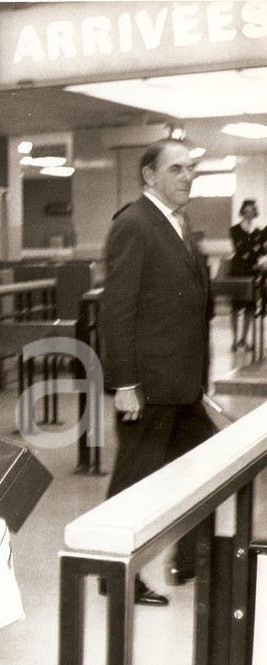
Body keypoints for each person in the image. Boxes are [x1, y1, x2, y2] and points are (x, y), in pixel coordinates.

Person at [100, 138, 216, 604]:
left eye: (190, 168)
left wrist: (198, 381)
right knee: (135, 483)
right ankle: (114, 575)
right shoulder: (134, 225)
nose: (187, 176)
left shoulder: (178, 223)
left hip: (182, 384)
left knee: (203, 471)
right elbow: (118, 310)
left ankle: (189, 561)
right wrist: (125, 383)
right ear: (150, 175)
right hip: (149, 387)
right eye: (176, 169)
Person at [227, 199, 266, 349]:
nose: (249, 213)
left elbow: (260, 250)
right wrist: (255, 251)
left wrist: (256, 251)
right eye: (247, 210)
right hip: (238, 270)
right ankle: (235, 339)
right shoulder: (235, 230)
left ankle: (244, 339)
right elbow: (241, 250)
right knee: (236, 307)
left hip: (252, 271)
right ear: (242, 211)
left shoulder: (257, 231)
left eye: (252, 210)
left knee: (250, 307)